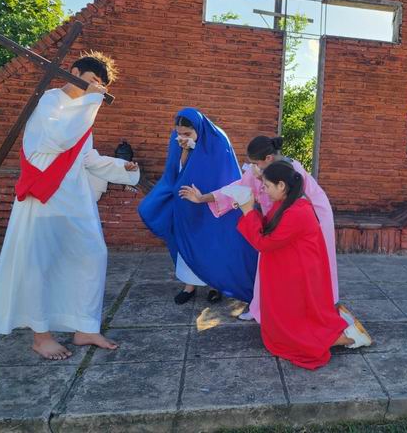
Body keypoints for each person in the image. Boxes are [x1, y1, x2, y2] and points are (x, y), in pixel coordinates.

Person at [0, 52, 140, 360]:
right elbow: (58, 140)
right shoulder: (50, 102)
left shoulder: (84, 113)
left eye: (100, 85)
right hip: (43, 196)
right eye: (93, 80)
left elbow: (87, 158)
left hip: (73, 198)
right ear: (74, 72)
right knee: (40, 264)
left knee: (93, 254)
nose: (96, 88)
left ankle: (85, 327)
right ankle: (41, 337)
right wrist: (91, 102)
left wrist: (123, 168)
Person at [180, 135, 337, 322]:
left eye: (254, 162)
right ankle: (260, 308)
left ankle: (320, 306)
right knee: (269, 263)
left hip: (311, 217)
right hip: (278, 219)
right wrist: (202, 198)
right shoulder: (259, 170)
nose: (251, 166)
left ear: (268, 158)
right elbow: (237, 188)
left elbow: (295, 200)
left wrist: (260, 181)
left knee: (312, 267)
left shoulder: (291, 169)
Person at [235, 160, 371, 369]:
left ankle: (348, 338)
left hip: (298, 273)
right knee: (284, 320)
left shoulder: (297, 211)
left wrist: (248, 212)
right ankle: (339, 332)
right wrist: (250, 209)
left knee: (293, 326)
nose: (264, 191)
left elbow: (264, 242)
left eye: (267, 186)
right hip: (291, 267)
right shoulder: (288, 204)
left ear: (281, 185)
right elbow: (268, 229)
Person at [139, 109, 257, 304]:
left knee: (213, 244)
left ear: (199, 129)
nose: (182, 136)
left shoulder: (217, 139)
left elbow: (226, 173)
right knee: (185, 240)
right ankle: (189, 285)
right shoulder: (177, 139)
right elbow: (176, 171)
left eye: (187, 133)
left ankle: (215, 285)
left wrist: (207, 197)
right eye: (179, 132)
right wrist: (185, 149)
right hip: (186, 201)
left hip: (212, 203)